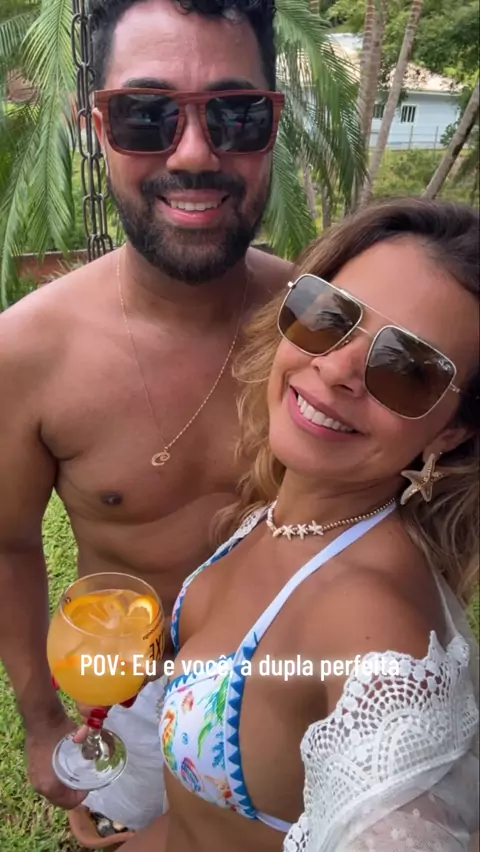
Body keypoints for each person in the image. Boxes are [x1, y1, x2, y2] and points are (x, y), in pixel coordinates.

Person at [0, 0, 291, 843]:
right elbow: (9, 545)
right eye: (146, 114)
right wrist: (42, 723)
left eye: (236, 114)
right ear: (100, 128)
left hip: (292, 688)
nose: (194, 153)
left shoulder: (324, 331)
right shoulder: (26, 352)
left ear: (273, 124)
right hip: (127, 701)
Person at [119, 198, 479, 852]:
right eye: (330, 316)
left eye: (407, 368)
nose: (336, 368)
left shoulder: (379, 642)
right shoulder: (287, 516)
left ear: (450, 431)